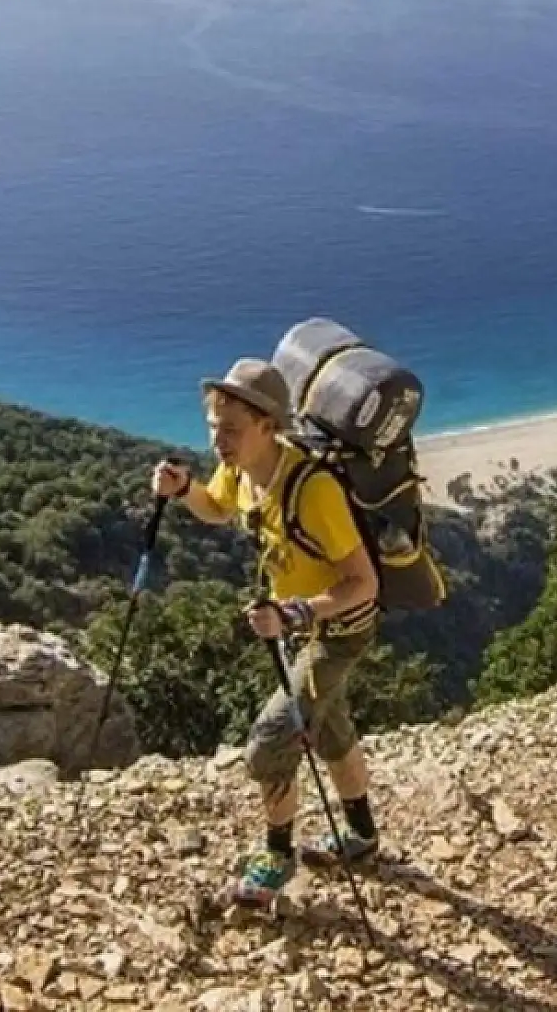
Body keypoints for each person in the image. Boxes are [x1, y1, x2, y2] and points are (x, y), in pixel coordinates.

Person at [150, 358, 382, 907]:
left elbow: (364, 583)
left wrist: (295, 614)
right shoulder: (242, 470)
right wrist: (184, 490)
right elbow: (217, 507)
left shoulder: (313, 489)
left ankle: (277, 856)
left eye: (230, 429)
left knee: (272, 740)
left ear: (266, 425)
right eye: (213, 428)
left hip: (339, 629)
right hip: (304, 627)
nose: (218, 441)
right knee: (328, 728)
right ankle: (363, 834)